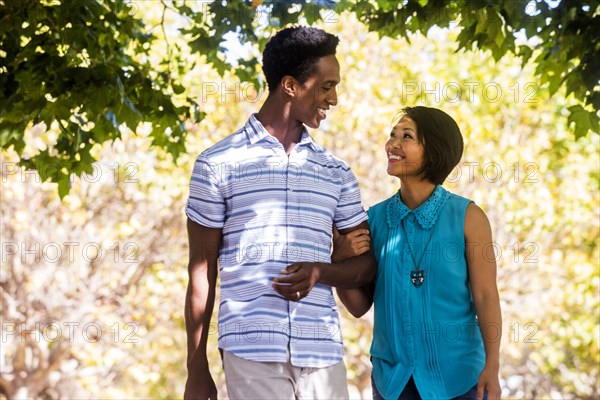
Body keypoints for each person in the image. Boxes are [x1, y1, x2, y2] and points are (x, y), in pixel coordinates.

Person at [183, 26, 377, 400]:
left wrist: (322, 270)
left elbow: (366, 268)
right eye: (326, 86)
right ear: (290, 86)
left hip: (322, 350)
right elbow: (201, 271)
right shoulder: (217, 164)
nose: (334, 98)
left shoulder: (336, 172)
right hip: (251, 349)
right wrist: (196, 367)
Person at [334, 106, 502, 400]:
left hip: (461, 380)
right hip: (393, 383)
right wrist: (336, 261)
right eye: (392, 135)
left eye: (407, 136)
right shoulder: (374, 220)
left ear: (434, 152)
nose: (392, 144)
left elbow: (486, 295)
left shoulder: (469, 217)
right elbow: (359, 306)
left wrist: (493, 365)